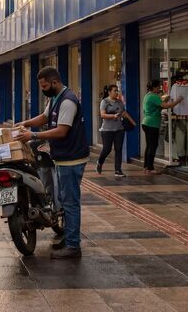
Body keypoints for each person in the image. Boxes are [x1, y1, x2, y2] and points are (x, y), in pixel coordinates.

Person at [13, 66, 87, 259]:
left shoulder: (68, 101)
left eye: (45, 85)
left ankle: (73, 246)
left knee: (70, 203)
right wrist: (26, 123)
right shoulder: (55, 98)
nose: (43, 89)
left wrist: (33, 134)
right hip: (61, 156)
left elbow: (62, 130)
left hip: (72, 158)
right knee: (63, 199)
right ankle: (69, 237)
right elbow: (45, 117)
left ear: (54, 82)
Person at [141, 79, 184, 174]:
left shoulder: (147, 95)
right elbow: (166, 106)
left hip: (146, 123)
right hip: (152, 124)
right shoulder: (154, 96)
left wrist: (165, 99)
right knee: (153, 146)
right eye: (158, 87)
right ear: (154, 87)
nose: (159, 89)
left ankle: (146, 166)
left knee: (149, 146)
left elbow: (157, 105)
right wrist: (178, 100)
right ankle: (150, 168)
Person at [97, 85, 135, 178]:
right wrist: (113, 116)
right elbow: (102, 115)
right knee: (107, 149)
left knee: (118, 149)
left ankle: (118, 170)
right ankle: (100, 162)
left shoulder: (119, 102)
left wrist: (133, 122)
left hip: (119, 129)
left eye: (117, 90)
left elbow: (124, 113)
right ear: (109, 92)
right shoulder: (104, 102)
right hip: (107, 130)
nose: (116, 92)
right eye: (115, 91)